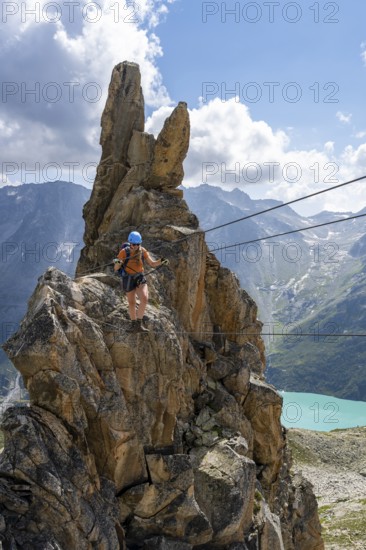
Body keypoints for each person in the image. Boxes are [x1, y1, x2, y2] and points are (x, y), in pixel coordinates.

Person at [113, 231, 169, 333]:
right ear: (130, 243)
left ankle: (139, 324)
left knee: (144, 298)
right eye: (134, 244)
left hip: (139, 277)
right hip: (128, 278)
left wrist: (161, 261)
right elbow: (116, 268)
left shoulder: (142, 251)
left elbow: (152, 263)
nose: (136, 246)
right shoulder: (124, 252)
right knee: (132, 302)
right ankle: (134, 325)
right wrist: (118, 262)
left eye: (138, 244)